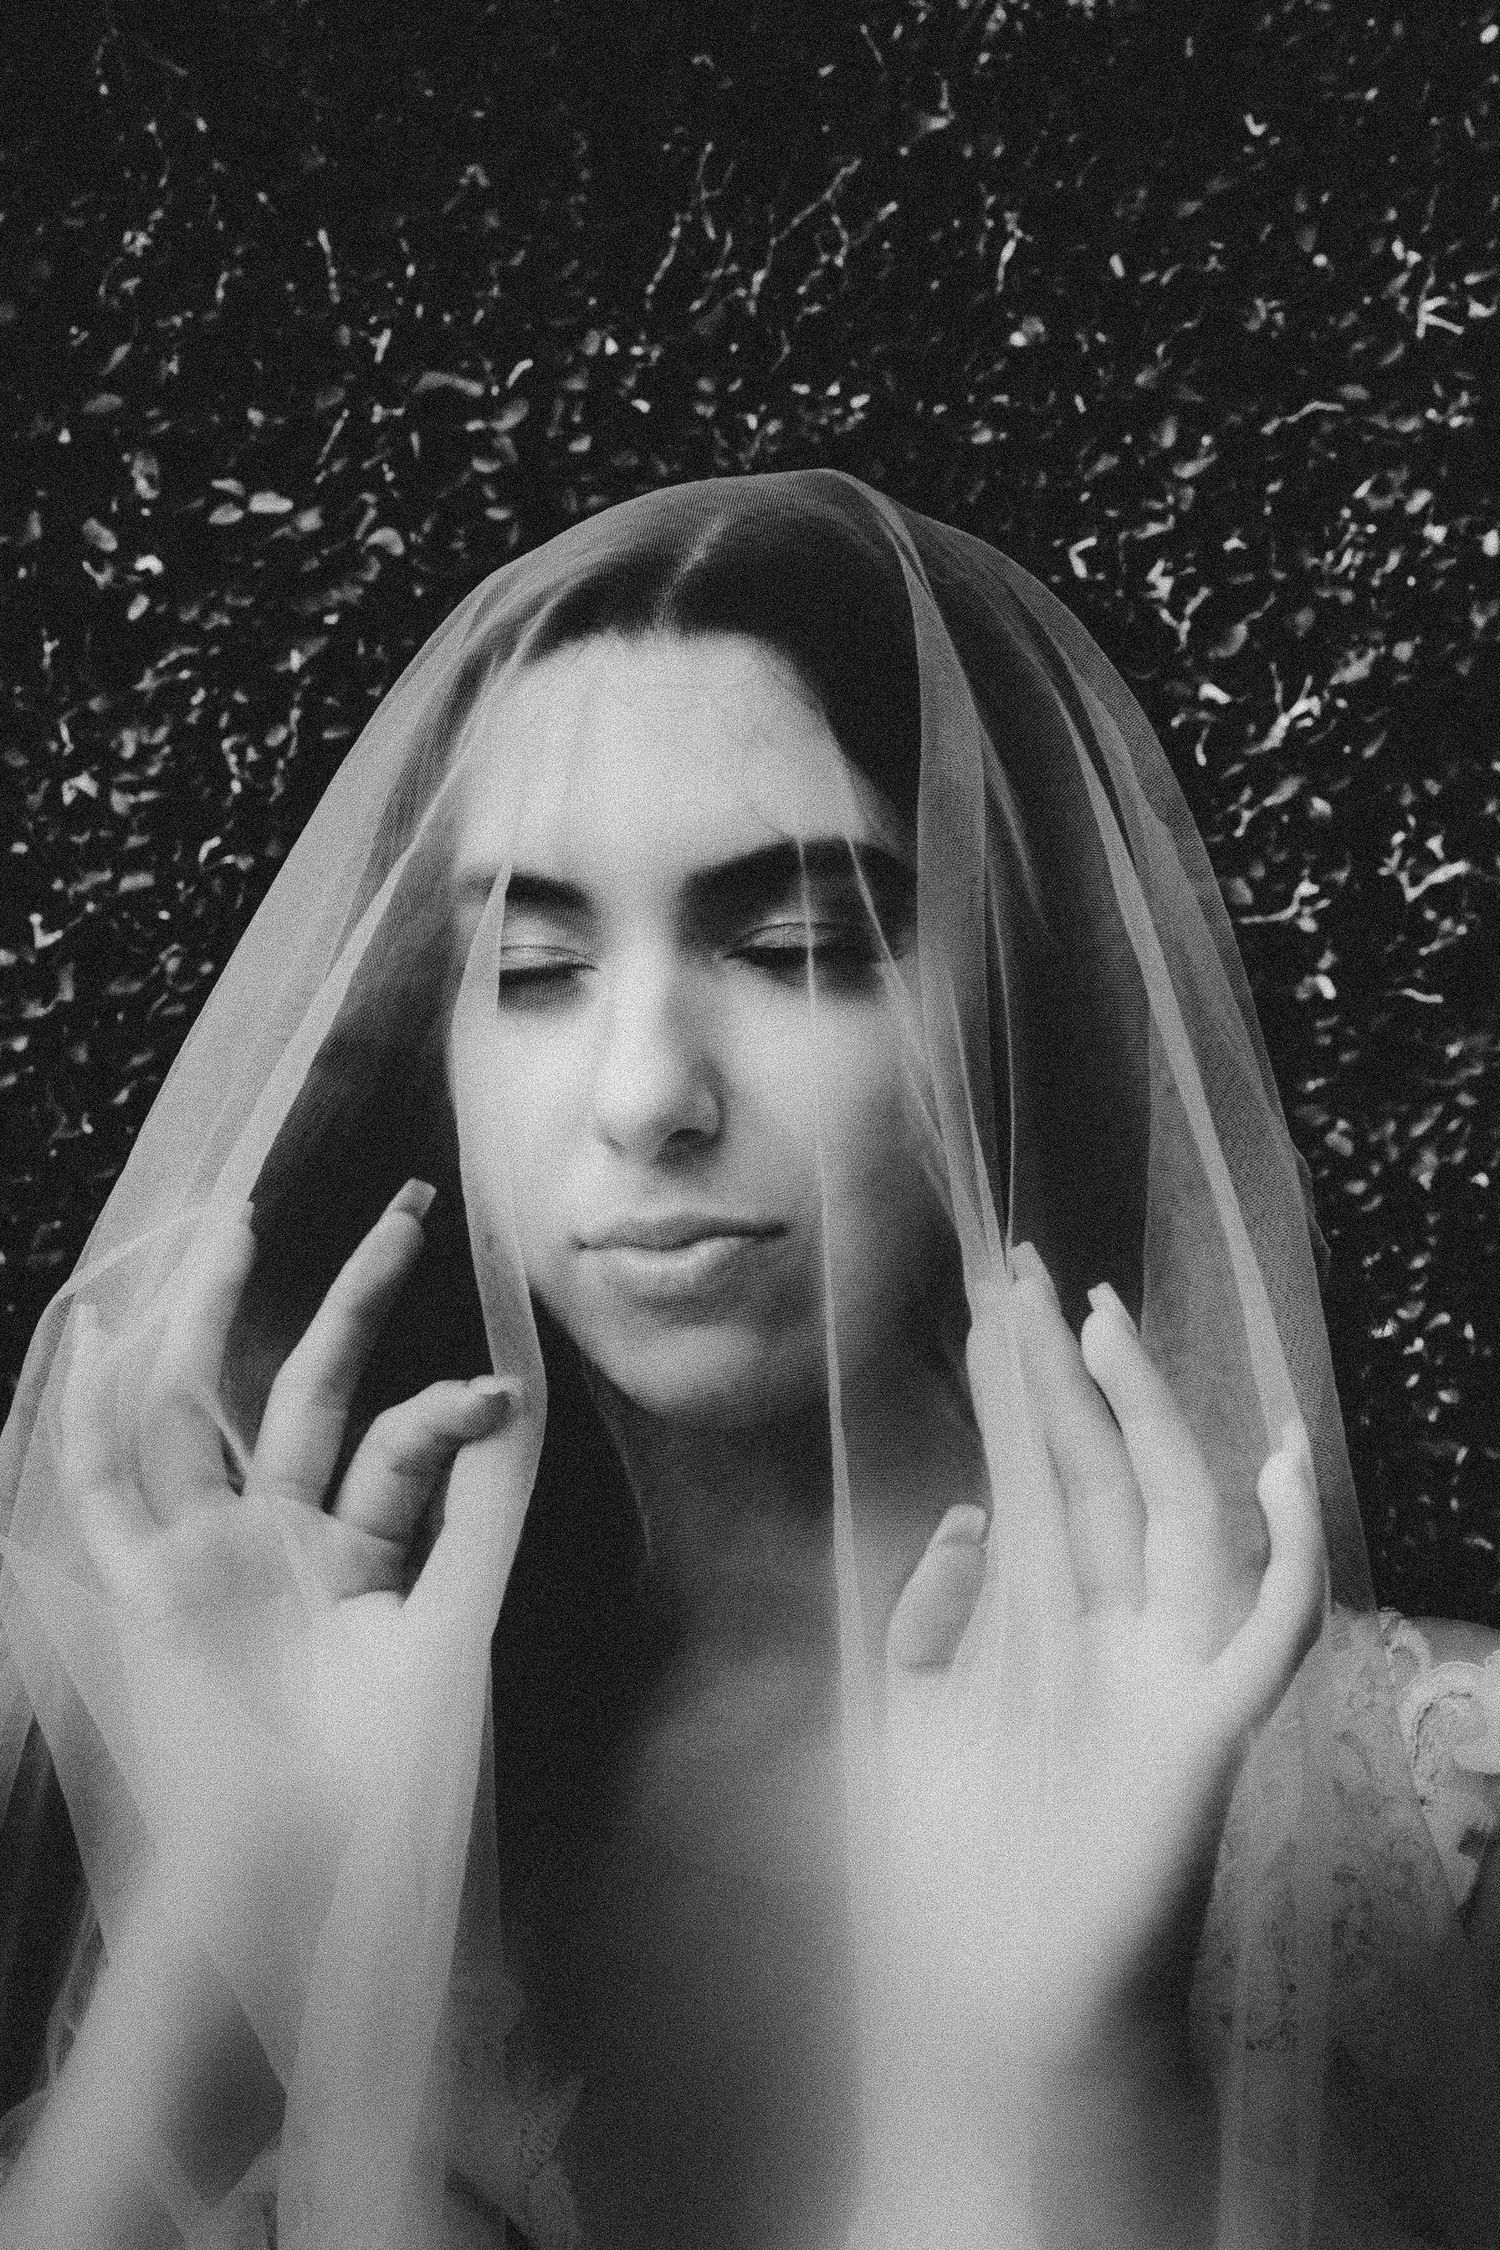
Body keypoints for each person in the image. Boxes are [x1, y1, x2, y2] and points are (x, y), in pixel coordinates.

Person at [0, 470, 1496, 2249]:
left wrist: (1080, 2068)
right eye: (530, 964)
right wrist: (217, 1907)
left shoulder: (1427, 1802)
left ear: (1008, 996)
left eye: (797, 947)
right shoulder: (369, 1733)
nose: (646, 1094)